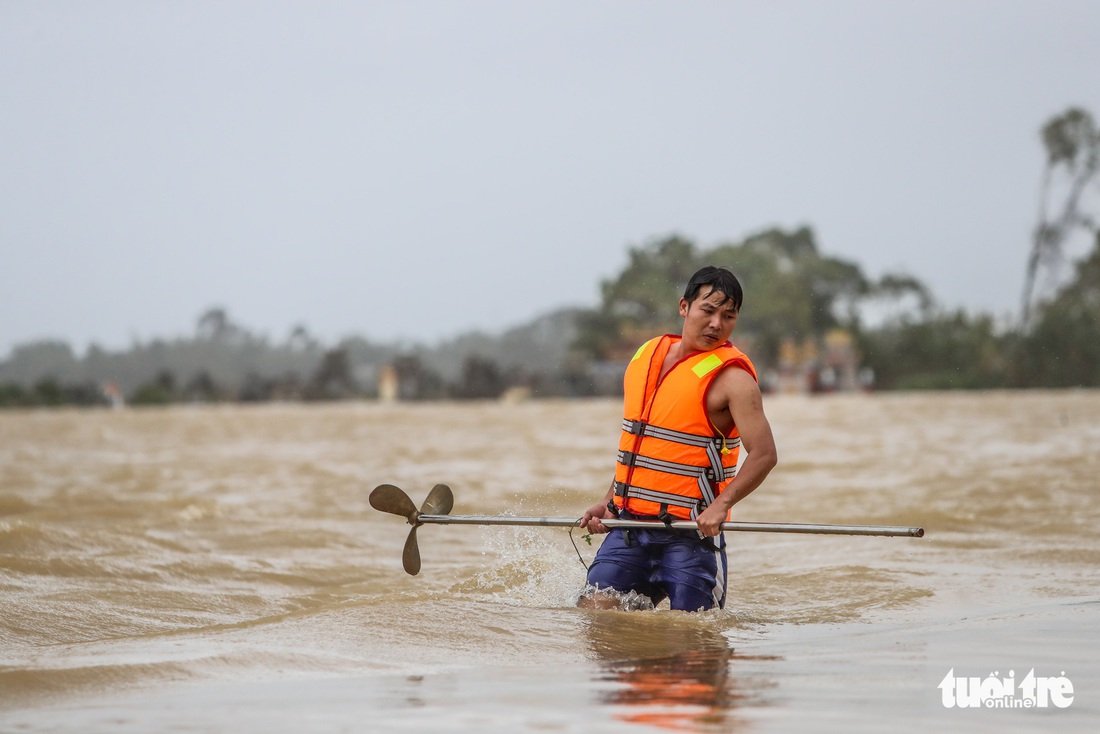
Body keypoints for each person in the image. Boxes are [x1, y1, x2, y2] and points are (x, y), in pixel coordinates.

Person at [577, 266, 777, 612]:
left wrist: (721, 506)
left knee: (694, 640)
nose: (717, 323)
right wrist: (609, 502)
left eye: (728, 316)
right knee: (595, 614)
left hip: (691, 536)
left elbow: (764, 455)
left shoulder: (734, 380)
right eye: (708, 310)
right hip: (630, 528)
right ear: (684, 307)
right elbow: (642, 450)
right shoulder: (647, 357)